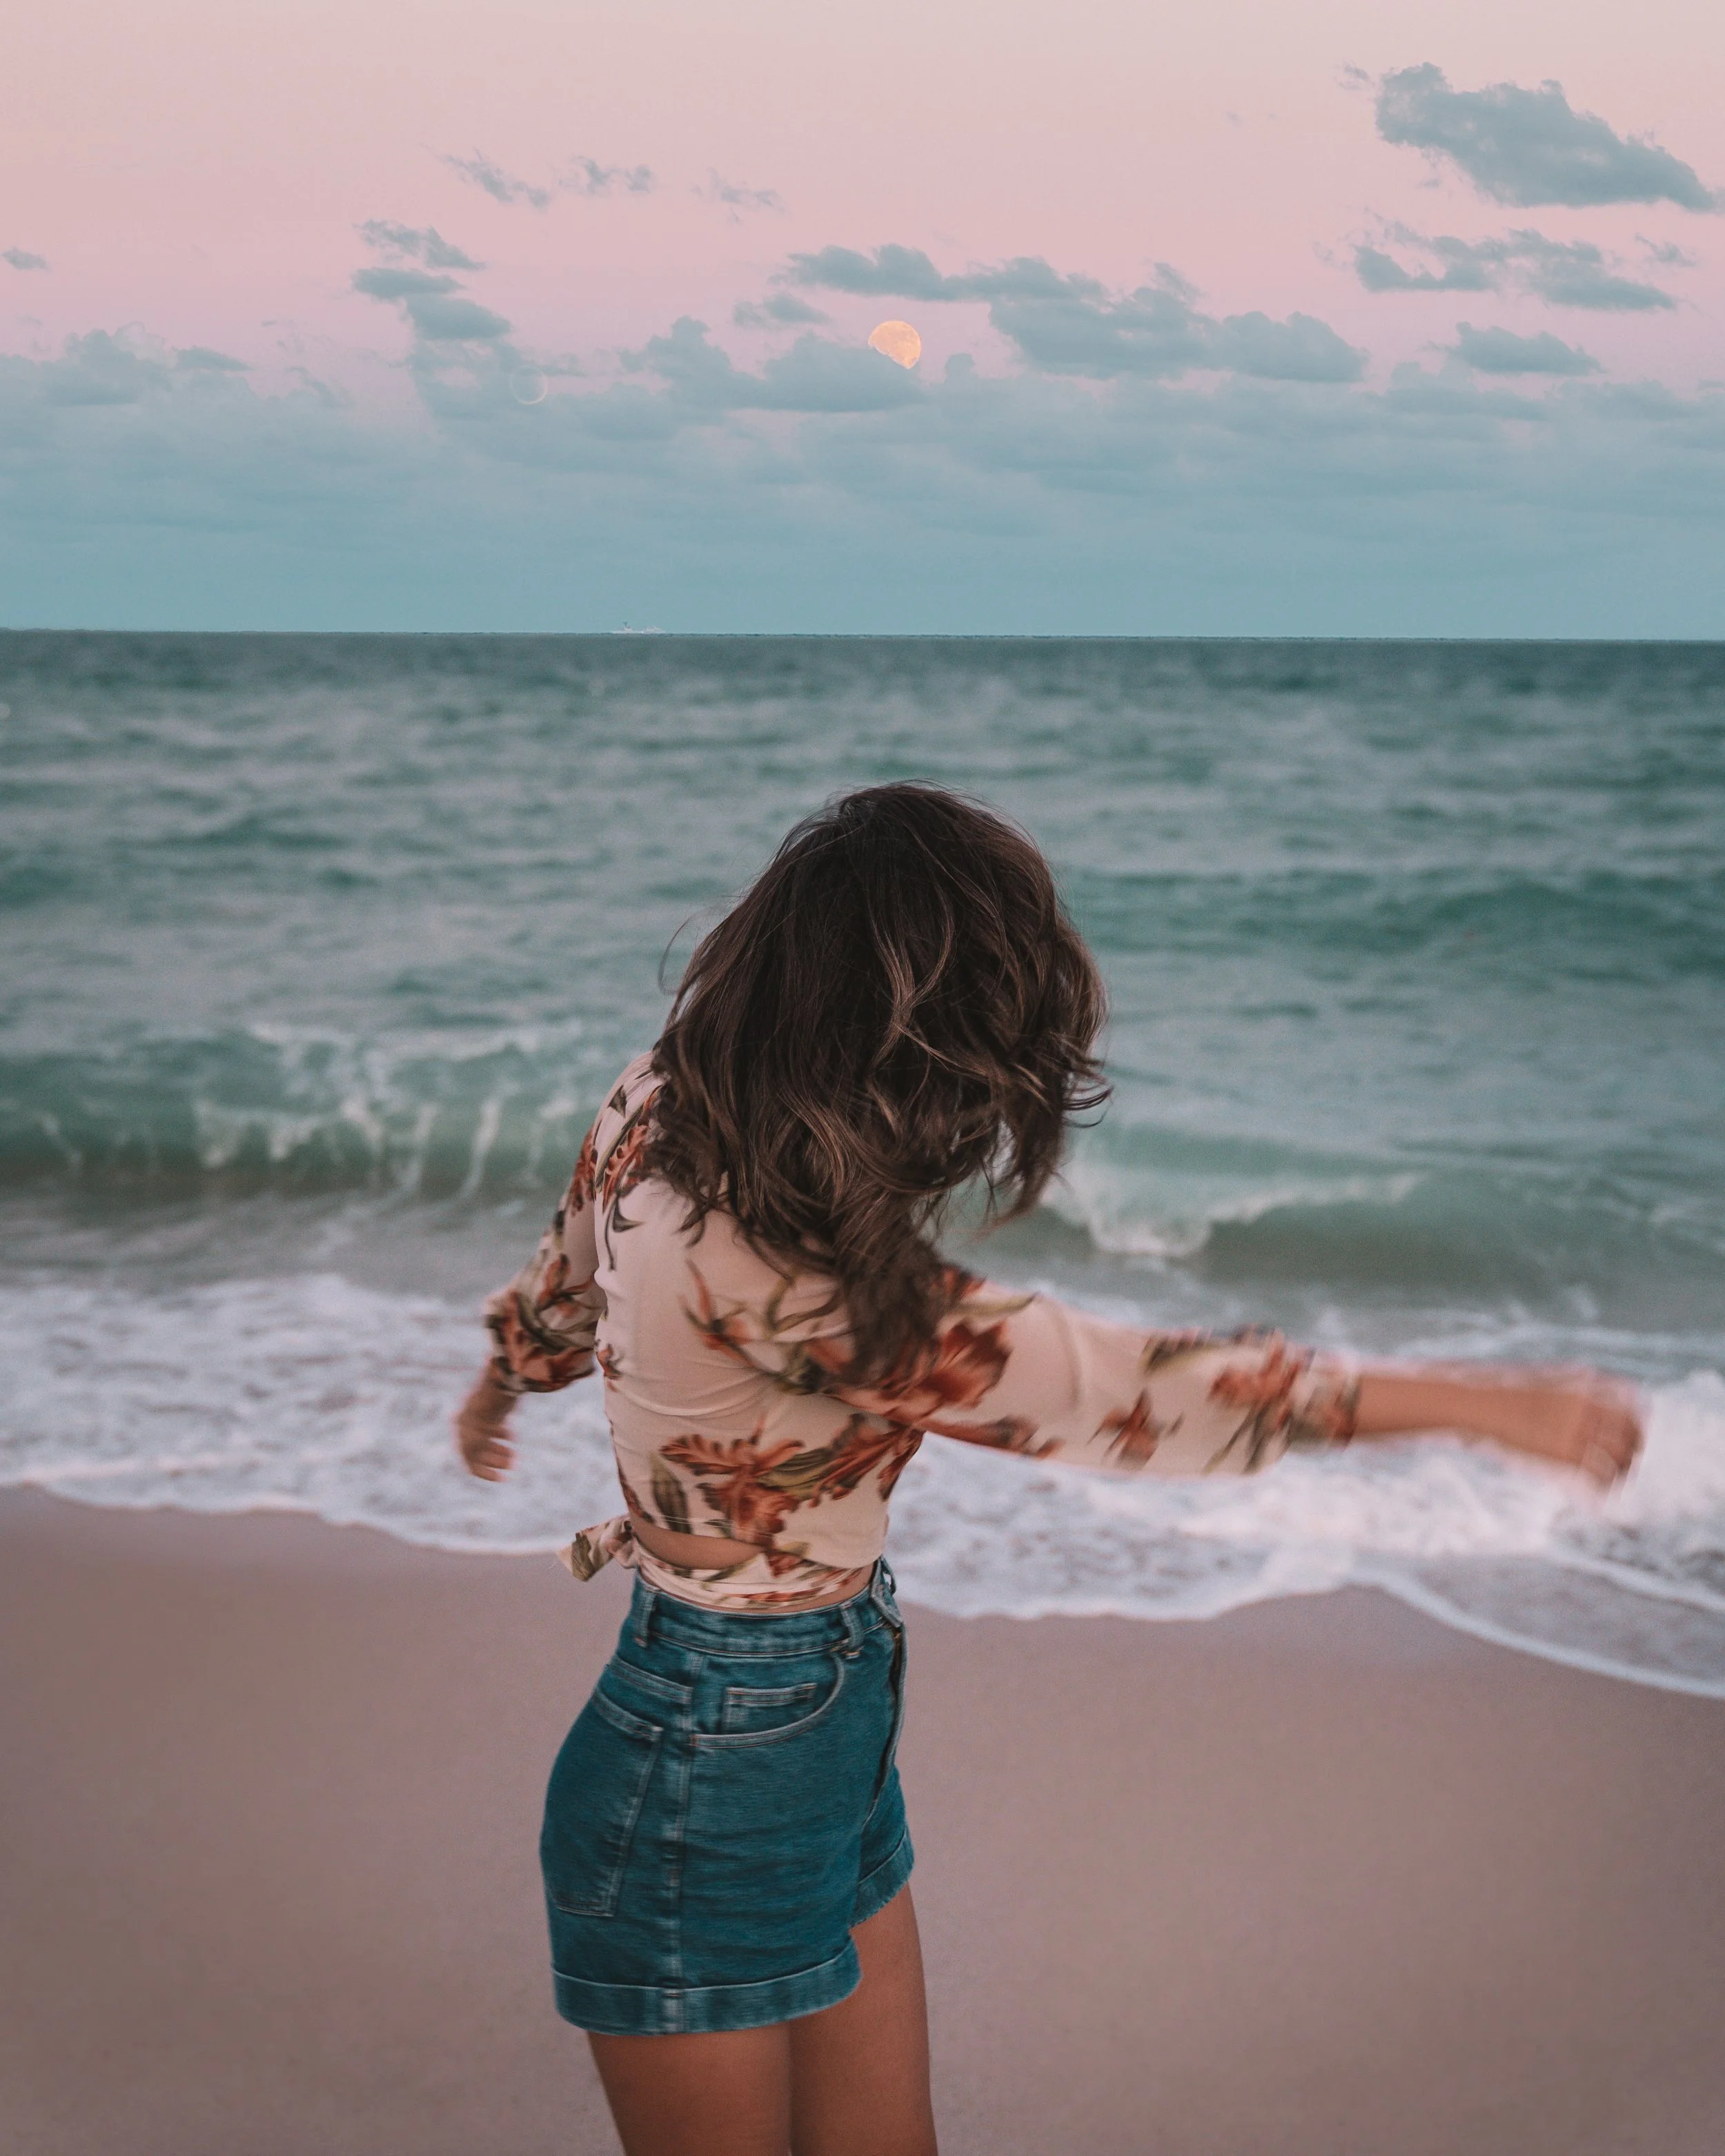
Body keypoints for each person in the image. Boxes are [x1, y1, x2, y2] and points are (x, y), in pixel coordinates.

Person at [455, 784, 1642, 2156]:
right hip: (703, 1761)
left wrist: (502, 1379)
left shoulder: (663, 1095)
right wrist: (1475, 1401)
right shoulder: (796, 1272)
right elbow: (1108, 1389)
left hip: (810, 1712)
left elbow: (566, 1273)